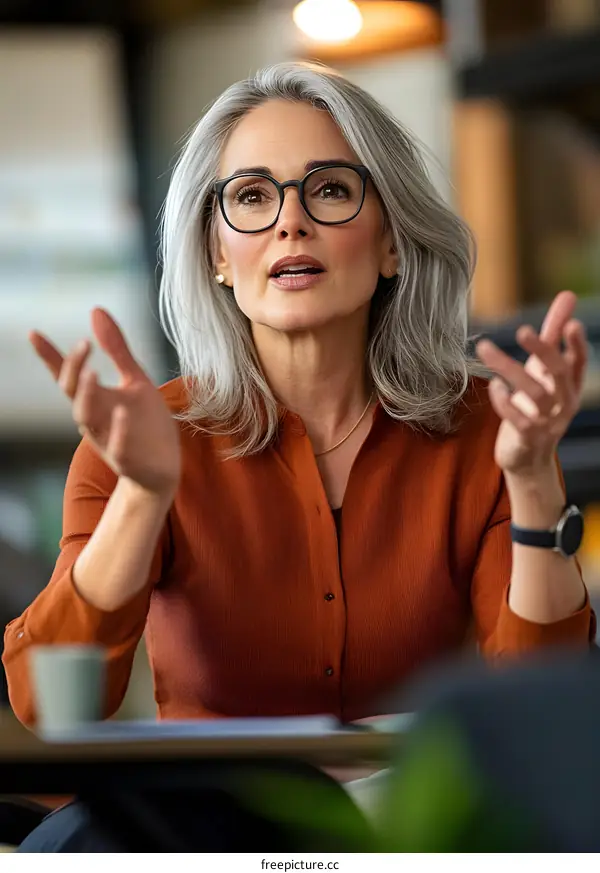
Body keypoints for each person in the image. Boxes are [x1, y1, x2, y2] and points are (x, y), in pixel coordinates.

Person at [3, 61, 595, 850]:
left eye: (329, 190)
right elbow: (52, 709)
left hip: (418, 824)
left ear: (391, 242)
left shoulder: (491, 427)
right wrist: (144, 492)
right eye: (251, 197)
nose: (289, 223)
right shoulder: (142, 434)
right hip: (205, 829)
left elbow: (542, 702)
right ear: (217, 254)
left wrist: (528, 480)